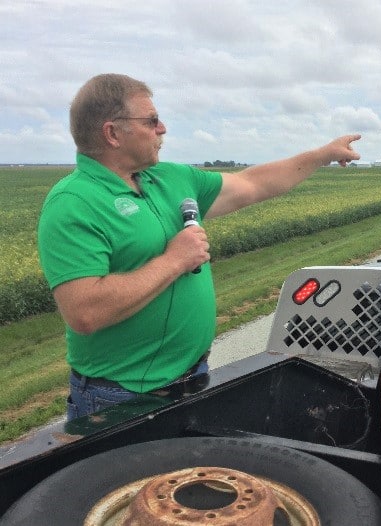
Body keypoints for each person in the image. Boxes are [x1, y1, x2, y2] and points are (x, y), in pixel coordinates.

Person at [37, 73, 361, 421]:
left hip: (193, 376)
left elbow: (252, 183)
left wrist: (322, 155)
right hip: (119, 397)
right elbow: (84, 311)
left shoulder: (170, 178)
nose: (162, 129)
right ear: (112, 133)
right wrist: (175, 260)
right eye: (151, 121)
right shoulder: (73, 202)